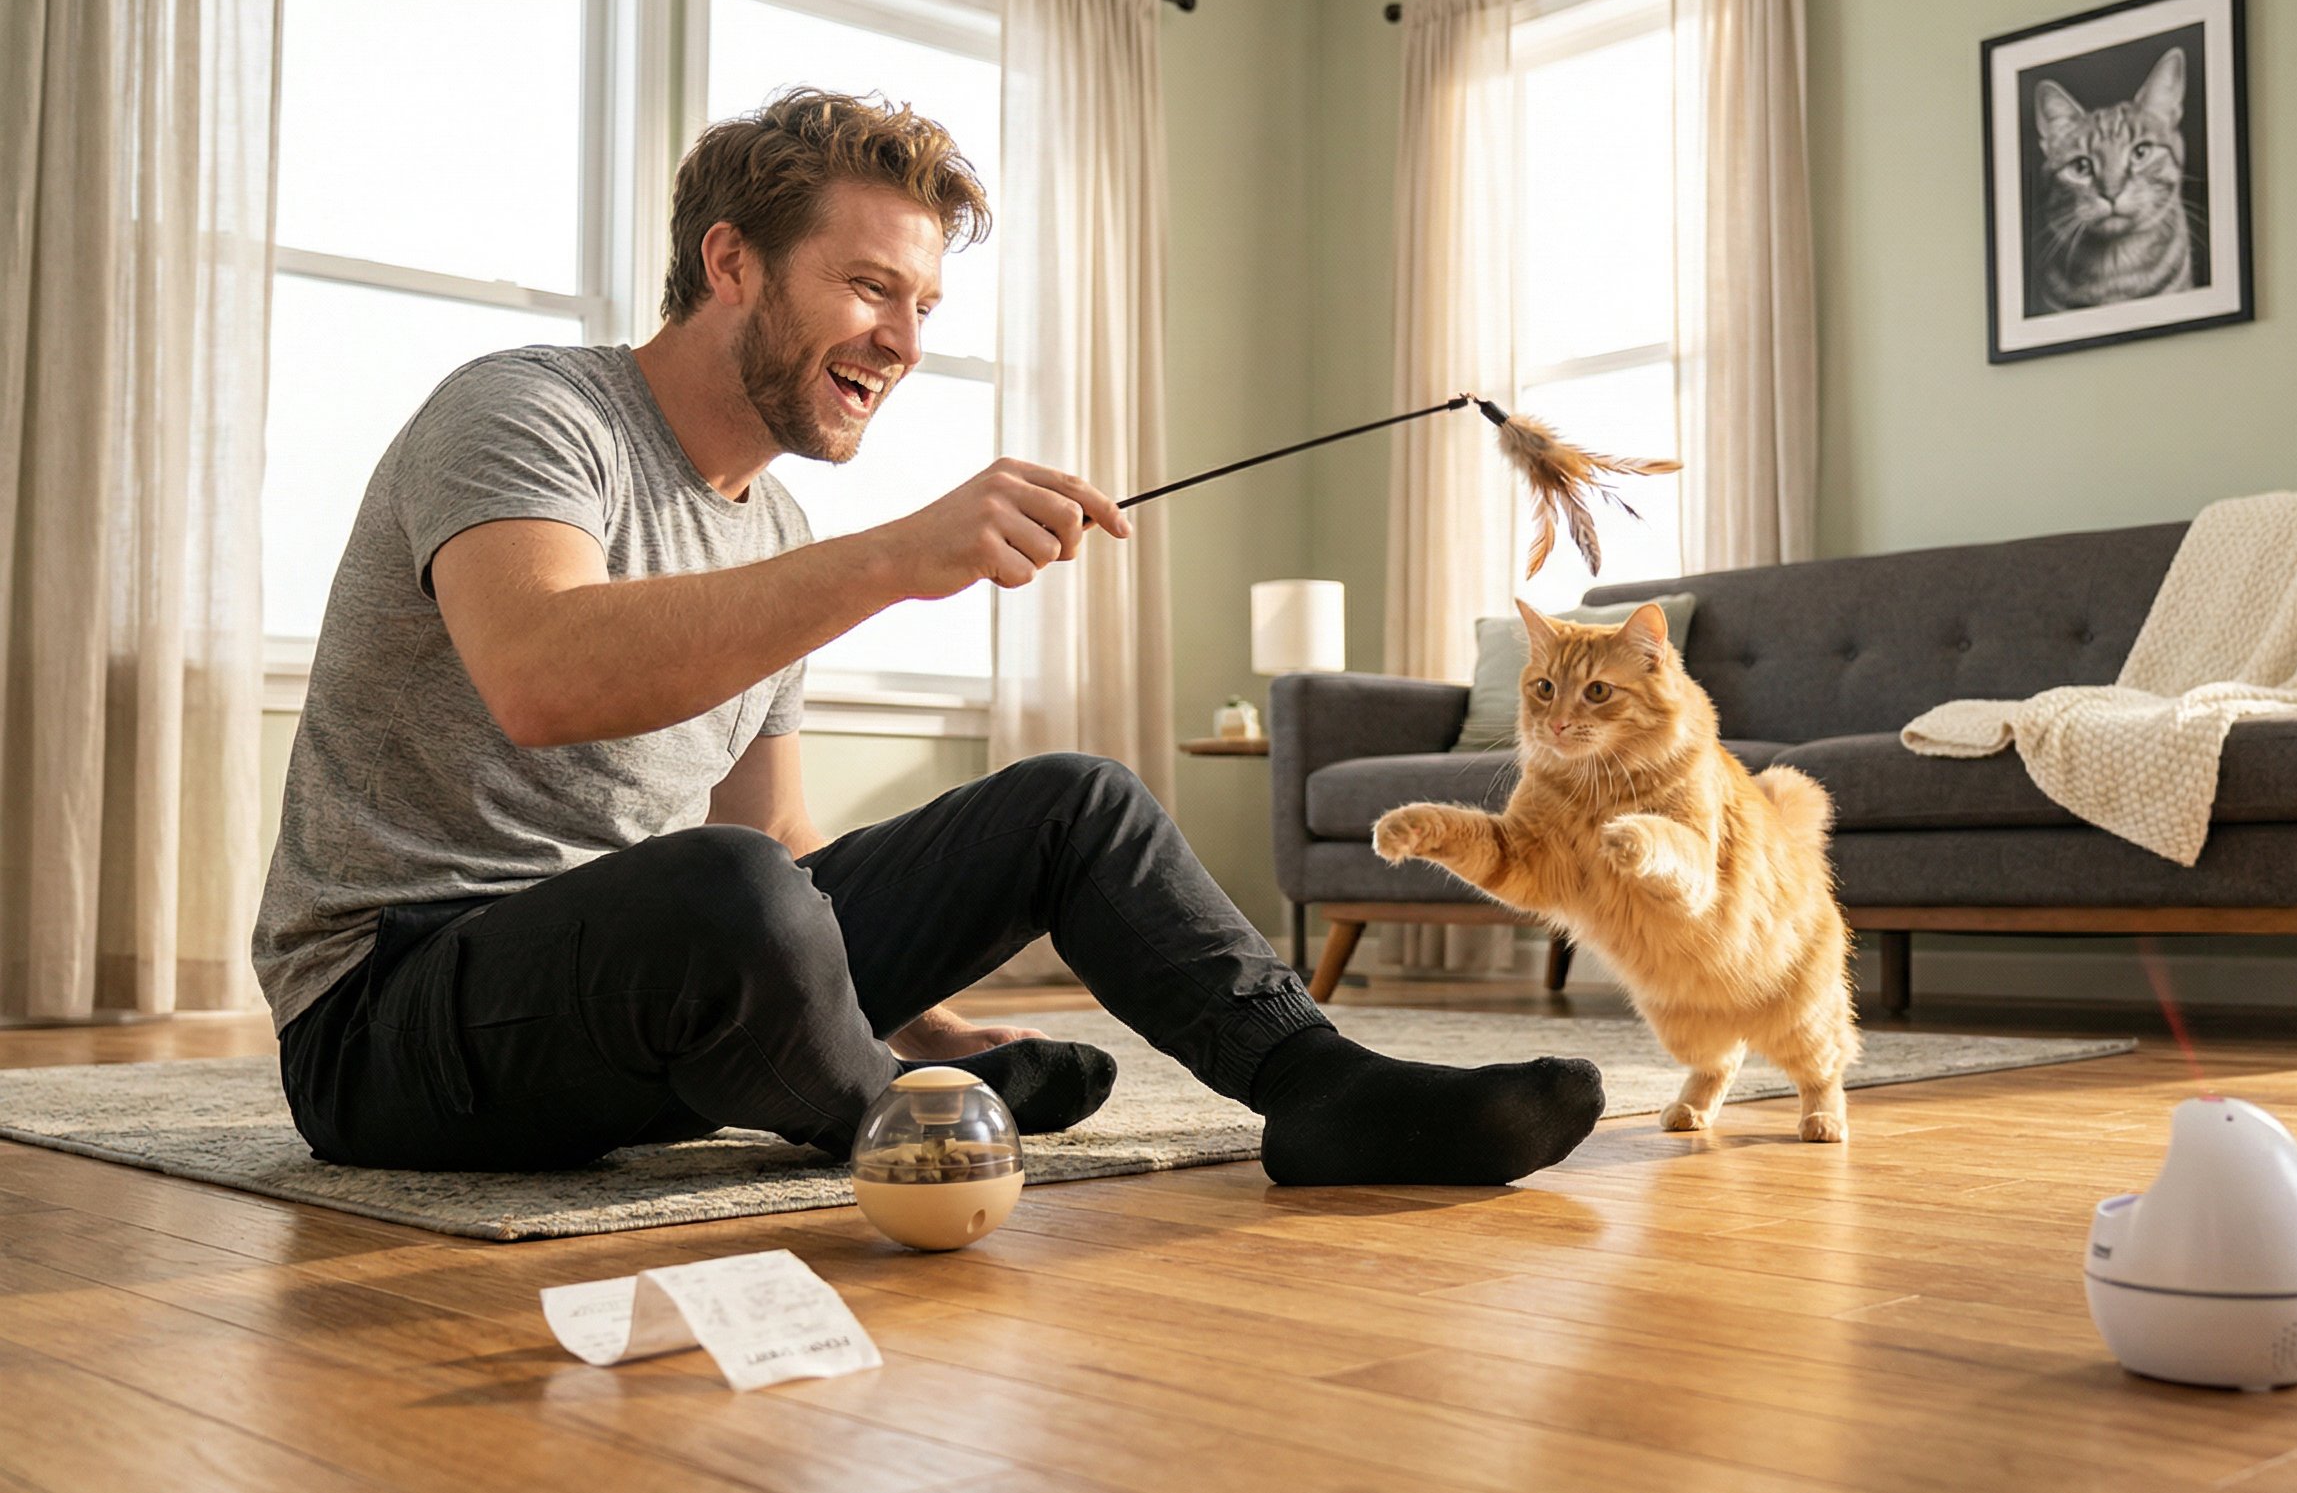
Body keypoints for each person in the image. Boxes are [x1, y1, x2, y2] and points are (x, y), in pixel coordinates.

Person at [254, 89, 1605, 1186]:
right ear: (731, 262)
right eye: (868, 288)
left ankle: (1322, 1091)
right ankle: (884, 1112)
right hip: (392, 1018)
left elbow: (785, 848)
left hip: (639, 1001)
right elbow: (543, 676)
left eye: (924, 309)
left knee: (1072, 804)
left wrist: (934, 1012)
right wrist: (899, 557)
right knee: (718, 891)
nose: (903, 341)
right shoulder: (526, 415)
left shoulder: (776, 525)